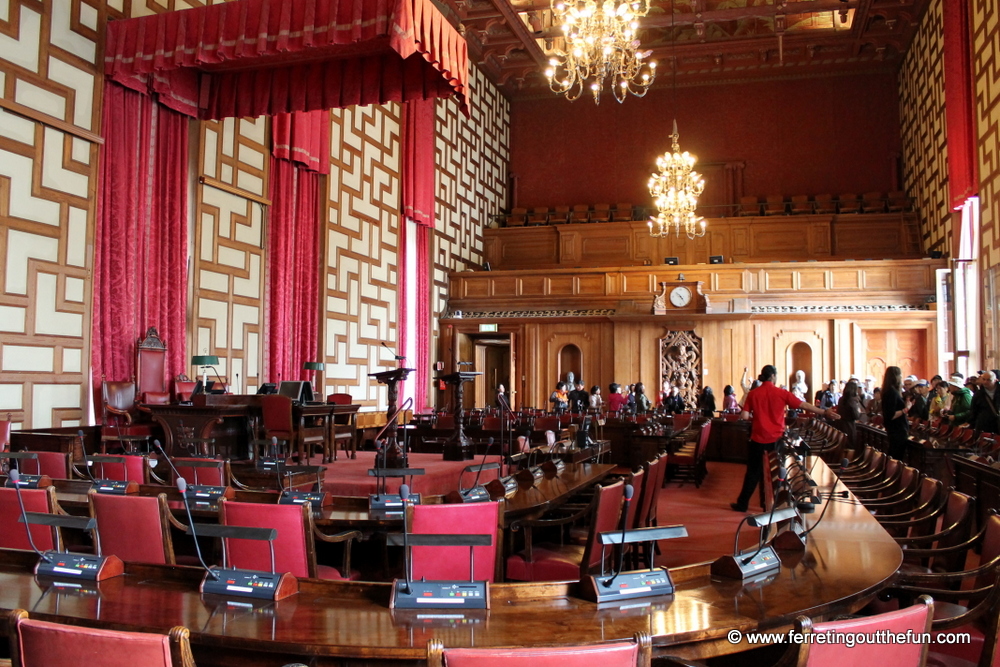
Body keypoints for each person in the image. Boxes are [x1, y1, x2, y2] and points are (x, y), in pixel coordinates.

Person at [731, 365, 834, 513]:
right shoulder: (782, 393)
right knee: (778, 475)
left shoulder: (753, 394)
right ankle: (776, 505)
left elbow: (745, 416)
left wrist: (758, 418)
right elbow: (803, 404)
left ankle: (742, 504)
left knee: (753, 473)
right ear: (773, 376)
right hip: (776, 441)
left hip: (757, 439)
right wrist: (823, 412)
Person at [881, 366, 913, 460]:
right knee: (896, 457)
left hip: (894, 429)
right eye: (900, 375)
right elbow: (891, 415)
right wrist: (906, 409)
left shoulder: (888, 391)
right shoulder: (892, 392)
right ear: (895, 377)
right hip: (897, 430)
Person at [835, 380, 864, 449]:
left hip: (840, 424)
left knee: (842, 446)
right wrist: (859, 411)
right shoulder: (852, 400)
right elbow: (856, 415)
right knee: (850, 446)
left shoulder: (841, 399)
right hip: (849, 426)